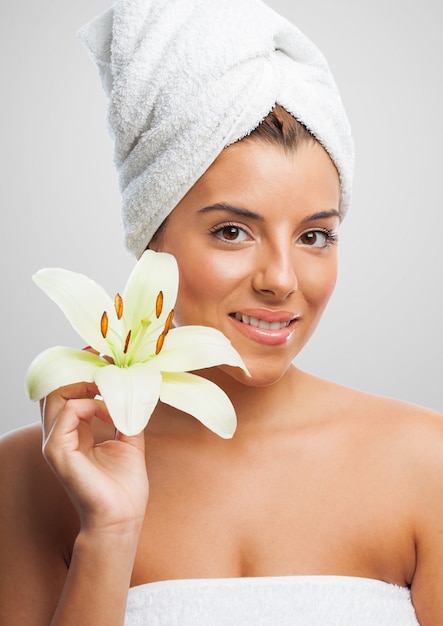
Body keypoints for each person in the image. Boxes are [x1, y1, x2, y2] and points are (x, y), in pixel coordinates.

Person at [0, 0, 442, 624]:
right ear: (154, 240)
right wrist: (109, 533)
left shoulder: (426, 461)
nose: (282, 280)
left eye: (315, 235)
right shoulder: (35, 474)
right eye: (233, 231)